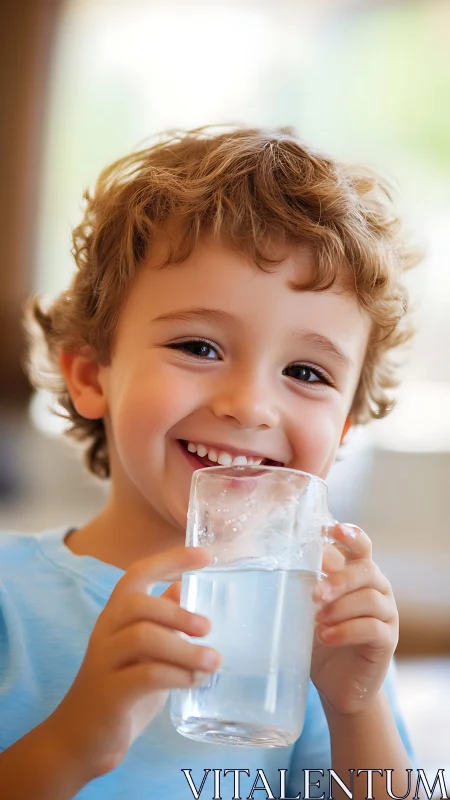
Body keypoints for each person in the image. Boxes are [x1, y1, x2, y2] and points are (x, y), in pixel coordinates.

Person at [0, 126, 420, 799]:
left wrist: (355, 706)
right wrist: (74, 740)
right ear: (90, 375)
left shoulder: (317, 628)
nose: (250, 405)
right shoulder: (8, 599)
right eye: (199, 347)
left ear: (341, 432)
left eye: (306, 370)